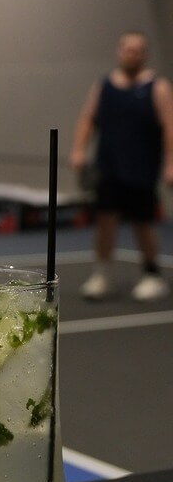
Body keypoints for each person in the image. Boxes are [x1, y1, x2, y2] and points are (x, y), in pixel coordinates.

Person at [69, 30, 173, 301]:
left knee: (143, 223)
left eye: (138, 50)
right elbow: (87, 119)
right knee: (105, 220)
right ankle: (102, 275)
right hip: (109, 167)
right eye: (128, 49)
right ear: (120, 51)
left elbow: (170, 127)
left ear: (144, 54)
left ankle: (152, 275)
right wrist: (79, 150)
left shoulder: (157, 87)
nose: (132, 54)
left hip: (142, 167)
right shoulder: (104, 86)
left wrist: (171, 164)